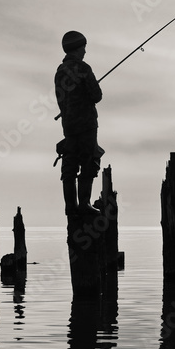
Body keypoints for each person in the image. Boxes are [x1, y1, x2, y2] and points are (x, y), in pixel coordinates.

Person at [55, 30, 103, 215]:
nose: (85, 52)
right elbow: (97, 96)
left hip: (68, 127)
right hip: (87, 125)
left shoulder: (59, 73)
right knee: (88, 162)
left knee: (70, 166)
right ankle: (84, 204)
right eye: (83, 47)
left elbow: (61, 101)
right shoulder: (84, 69)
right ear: (77, 48)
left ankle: (70, 207)